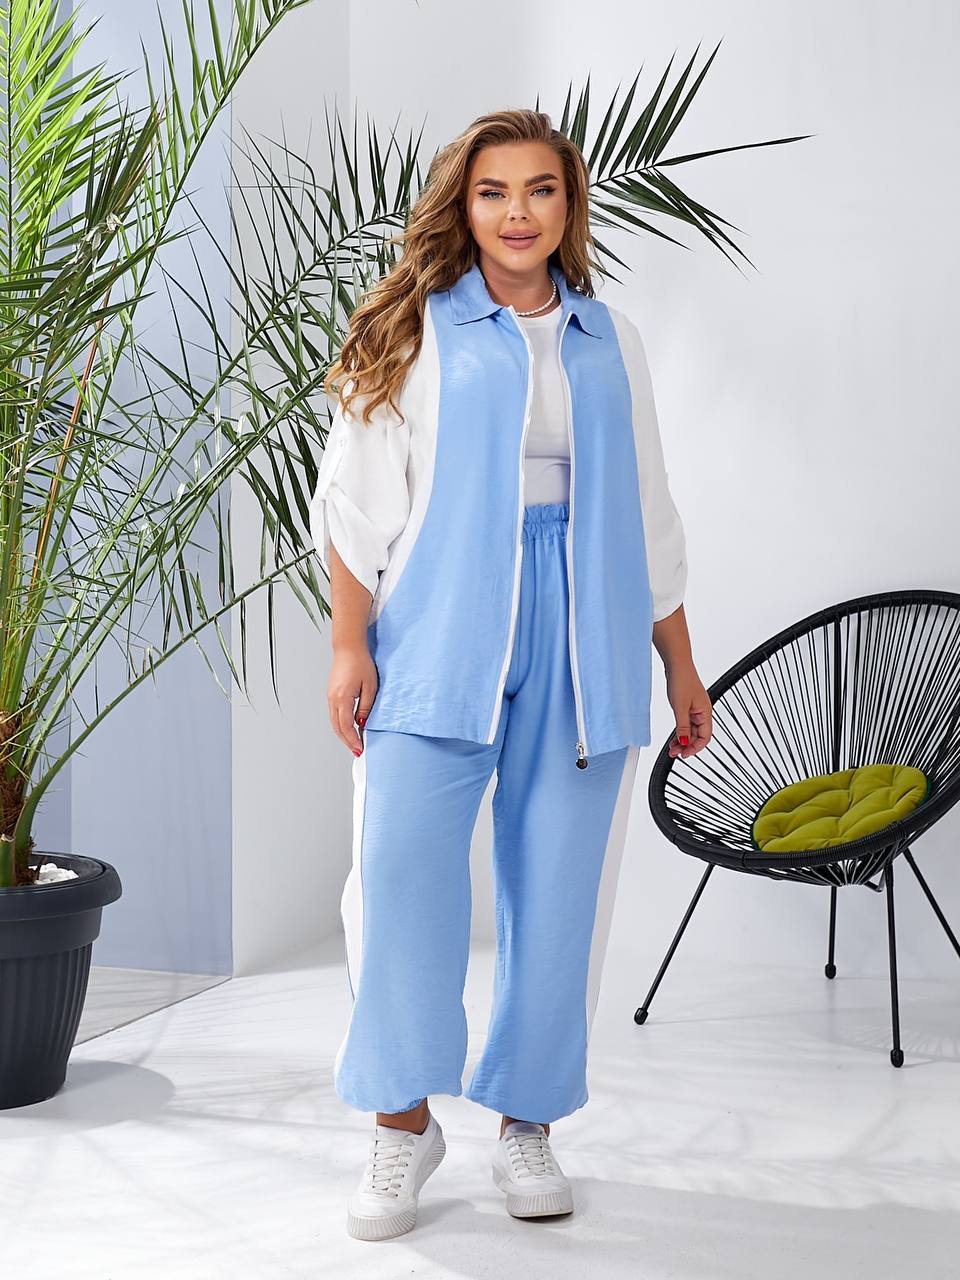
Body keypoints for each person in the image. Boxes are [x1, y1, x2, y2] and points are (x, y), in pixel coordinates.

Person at [309, 107, 712, 1242]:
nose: (518, 212)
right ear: (465, 204)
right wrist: (349, 644)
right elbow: (356, 501)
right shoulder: (414, 328)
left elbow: (649, 511)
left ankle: (526, 1120)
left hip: (587, 635)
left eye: (541, 189)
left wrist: (681, 664)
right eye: (494, 191)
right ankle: (401, 1125)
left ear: (568, 205)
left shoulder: (609, 338)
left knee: (560, 892)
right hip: (440, 627)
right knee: (401, 879)